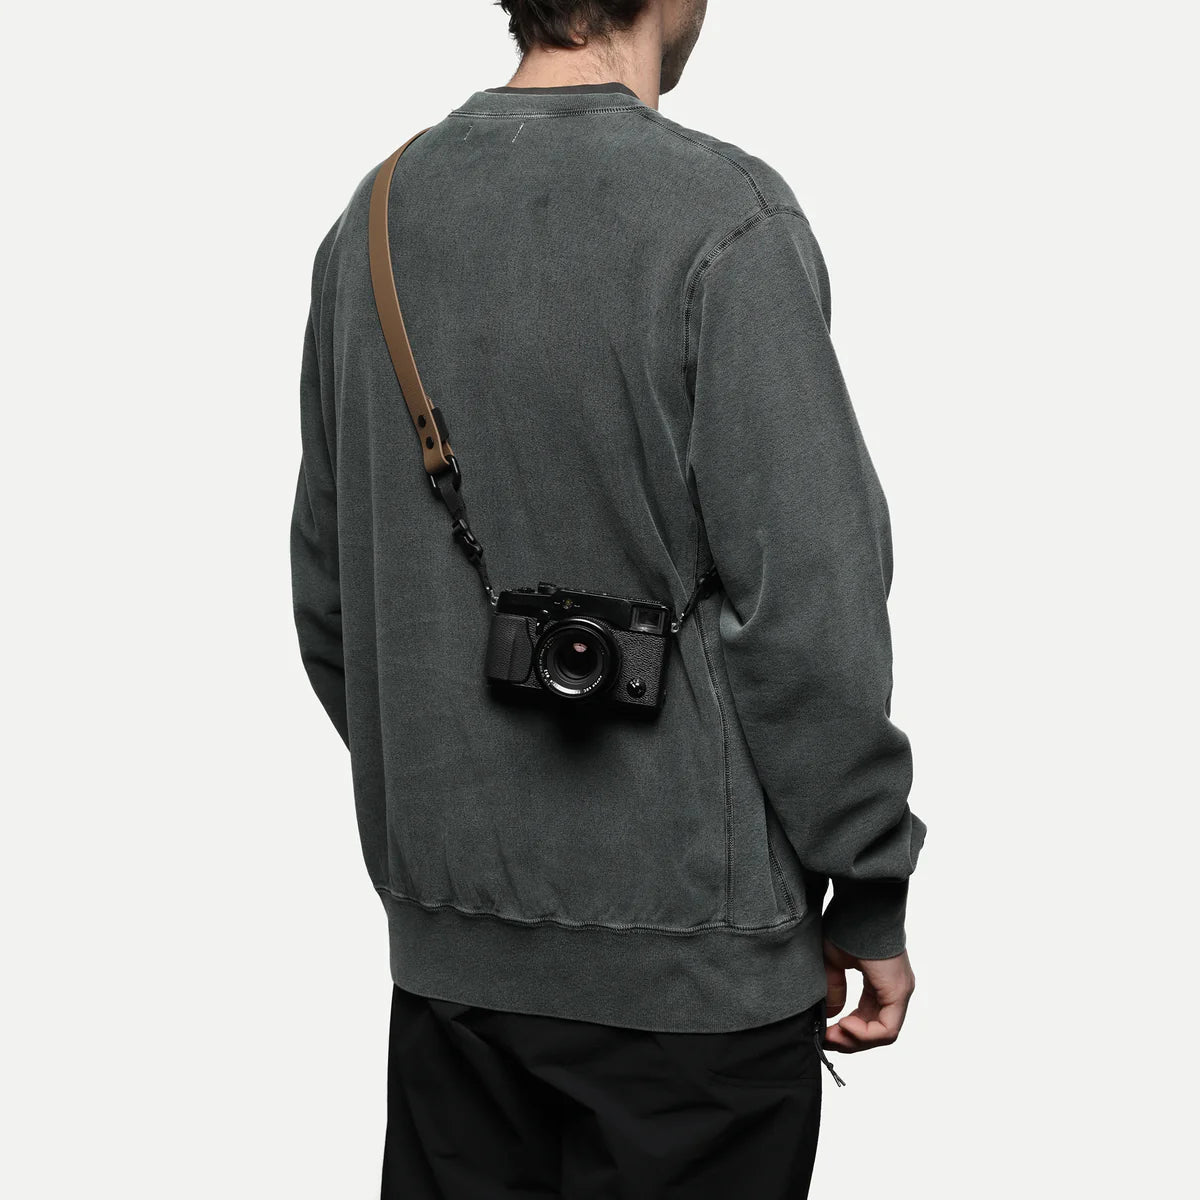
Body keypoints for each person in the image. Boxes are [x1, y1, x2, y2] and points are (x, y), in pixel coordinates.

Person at [290, 0, 926, 1194]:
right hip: (699, 985)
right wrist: (869, 883)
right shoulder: (723, 220)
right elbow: (813, 617)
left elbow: (334, 607)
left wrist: (460, 802)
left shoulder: (371, 220)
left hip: (451, 980)